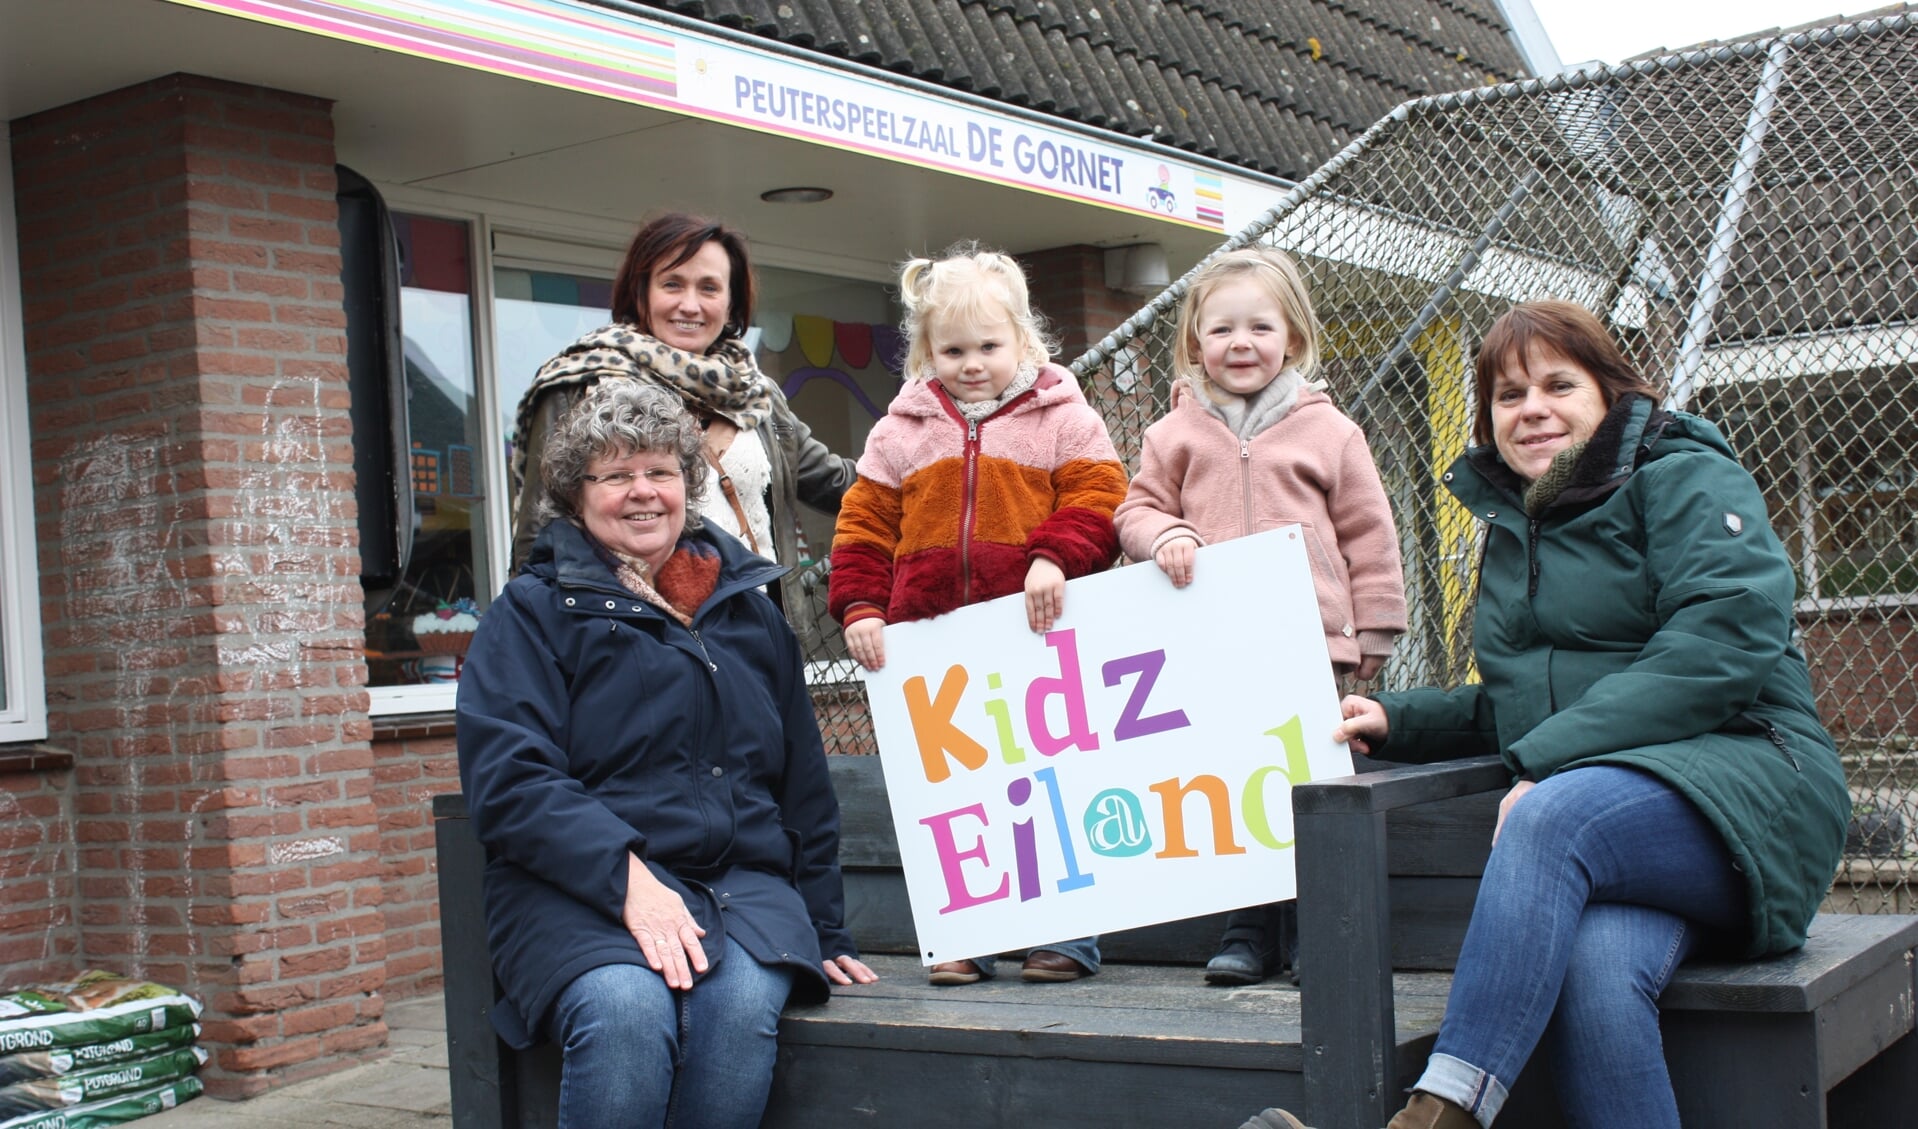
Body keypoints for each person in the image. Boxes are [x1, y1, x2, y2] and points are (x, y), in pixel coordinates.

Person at [1241, 300, 1850, 1129]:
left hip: (1756, 782)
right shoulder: (1521, 525)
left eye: (1558, 385)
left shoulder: (1684, 477)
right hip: (1631, 813)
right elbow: (1542, 703)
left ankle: (1439, 1116)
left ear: (1609, 393)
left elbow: (1724, 642)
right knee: (1596, 969)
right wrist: (1396, 717)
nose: (1531, 409)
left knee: (1550, 813)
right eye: (1508, 394)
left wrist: (1550, 760)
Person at [459, 380, 877, 1129]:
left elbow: (802, 786)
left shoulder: (749, 609)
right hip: (574, 891)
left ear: (688, 485)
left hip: (738, 885)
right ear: (575, 493)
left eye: (660, 471)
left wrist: (827, 927)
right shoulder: (531, 612)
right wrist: (628, 880)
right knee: (623, 1010)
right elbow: (510, 780)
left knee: (741, 1006)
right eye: (616, 475)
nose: (642, 492)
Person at [829, 243, 1127, 986]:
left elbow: (1099, 498)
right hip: (934, 640)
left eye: (989, 346)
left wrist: (1054, 555)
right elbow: (862, 526)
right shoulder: (900, 433)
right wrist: (863, 604)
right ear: (926, 351)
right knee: (956, 792)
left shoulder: (1063, 416)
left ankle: (1064, 934)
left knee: (1045, 781)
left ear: (1024, 339)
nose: (971, 363)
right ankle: (963, 931)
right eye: (952, 348)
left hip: (1035, 633)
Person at [1115, 247, 1407, 988]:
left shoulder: (1330, 431)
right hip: (1212, 645)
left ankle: (1317, 924)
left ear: (1293, 339)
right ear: (1194, 344)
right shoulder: (1171, 435)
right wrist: (1166, 535)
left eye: (1259, 327)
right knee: (1234, 786)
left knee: (1311, 785)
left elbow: (1369, 533)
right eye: (1220, 330)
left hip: (1309, 643)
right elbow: (1138, 510)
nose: (1239, 343)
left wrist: (1373, 628)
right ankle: (1249, 926)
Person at [509, 212, 856, 641]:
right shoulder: (583, 385)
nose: (689, 304)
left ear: (731, 304)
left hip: (757, 638)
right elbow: (536, 543)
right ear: (641, 292)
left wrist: (935, 447)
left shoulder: (755, 396)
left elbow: (840, 484)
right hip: (632, 641)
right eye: (672, 283)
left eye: (709, 287)